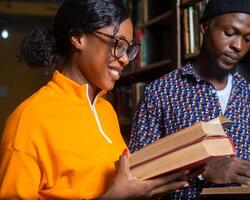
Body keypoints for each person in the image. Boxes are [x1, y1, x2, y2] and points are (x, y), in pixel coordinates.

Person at [0, 0, 191, 199]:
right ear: (78, 37)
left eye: (129, 49)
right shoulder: (28, 121)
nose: (125, 59)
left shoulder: (106, 110)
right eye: (118, 44)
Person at [129, 0, 250, 199]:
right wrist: (201, 170)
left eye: (248, 39)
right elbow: (137, 175)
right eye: (229, 33)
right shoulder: (161, 92)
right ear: (204, 27)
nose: (238, 46)